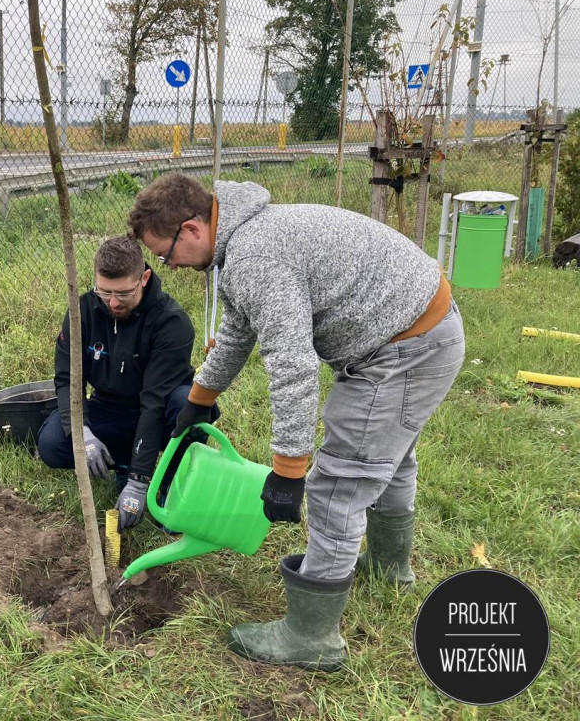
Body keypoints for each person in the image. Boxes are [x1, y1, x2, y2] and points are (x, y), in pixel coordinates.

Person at [128, 173, 465, 670]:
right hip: (420, 329)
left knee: (337, 485)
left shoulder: (256, 255)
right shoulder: (242, 241)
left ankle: (312, 637)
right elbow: (239, 331)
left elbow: (293, 366)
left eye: (166, 253)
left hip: (403, 349)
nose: (168, 265)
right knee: (389, 460)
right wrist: (198, 399)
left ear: (193, 228)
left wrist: (288, 471)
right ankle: (390, 568)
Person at [37, 236, 215, 529]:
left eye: (123, 293)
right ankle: (121, 462)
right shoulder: (81, 311)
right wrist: (82, 434)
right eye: (104, 292)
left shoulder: (171, 322)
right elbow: (68, 379)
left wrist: (139, 483)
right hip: (108, 406)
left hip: (161, 411)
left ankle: (169, 484)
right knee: (53, 442)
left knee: (189, 407)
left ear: (144, 278)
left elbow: (154, 401)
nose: (114, 302)